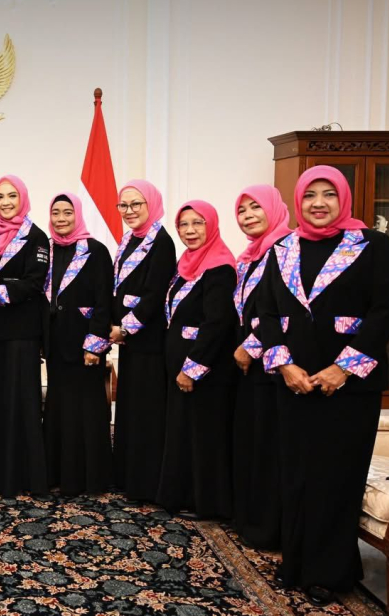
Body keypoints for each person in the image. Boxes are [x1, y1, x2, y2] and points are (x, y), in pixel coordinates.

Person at [256, 166, 389, 607]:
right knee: (296, 473)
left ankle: (331, 570)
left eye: (329, 195)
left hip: (348, 388)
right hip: (294, 383)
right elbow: (265, 312)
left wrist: (344, 368)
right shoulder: (282, 247)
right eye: (309, 196)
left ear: (344, 199)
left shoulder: (372, 246)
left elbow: (386, 311)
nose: (319, 203)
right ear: (297, 203)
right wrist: (284, 365)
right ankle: (297, 562)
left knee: (336, 476)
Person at [0, 175, 51, 497]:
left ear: (23, 199)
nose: (5, 202)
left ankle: (20, 474)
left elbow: (33, 283)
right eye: (0, 196)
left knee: (21, 400)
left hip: (22, 330)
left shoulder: (37, 238)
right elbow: (0, 272)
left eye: (11, 196)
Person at [156, 200, 238, 520]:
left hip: (205, 371)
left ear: (212, 225)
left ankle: (208, 504)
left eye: (198, 223)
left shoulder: (220, 267)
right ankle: (182, 496)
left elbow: (216, 324)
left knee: (204, 436)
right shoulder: (187, 263)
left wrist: (192, 369)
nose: (190, 231)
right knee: (183, 431)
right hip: (181, 363)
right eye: (184, 225)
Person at [230, 185, 292, 550]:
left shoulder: (285, 250)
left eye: (256, 207)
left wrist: (250, 348)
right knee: (252, 440)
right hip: (249, 366)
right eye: (243, 210)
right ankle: (250, 517)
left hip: (270, 363)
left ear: (275, 208)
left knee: (268, 444)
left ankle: (268, 526)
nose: (249, 215)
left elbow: (281, 311)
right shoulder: (252, 254)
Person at [42, 193, 114, 496]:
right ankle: (58, 473)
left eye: (67, 213)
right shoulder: (46, 250)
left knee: (87, 410)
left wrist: (95, 345)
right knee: (59, 407)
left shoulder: (96, 251)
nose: (61, 219)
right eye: (56, 213)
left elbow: (104, 301)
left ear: (78, 215)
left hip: (85, 344)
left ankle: (89, 479)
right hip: (56, 344)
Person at [109, 180, 177, 502]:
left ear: (151, 204)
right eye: (124, 205)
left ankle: (146, 482)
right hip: (131, 340)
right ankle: (126, 475)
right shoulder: (129, 240)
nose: (130, 211)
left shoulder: (160, 242)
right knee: (130, 408)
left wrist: (126, 327)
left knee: (146, 411)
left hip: (148, 339)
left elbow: (153, 294)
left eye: (137, 204)